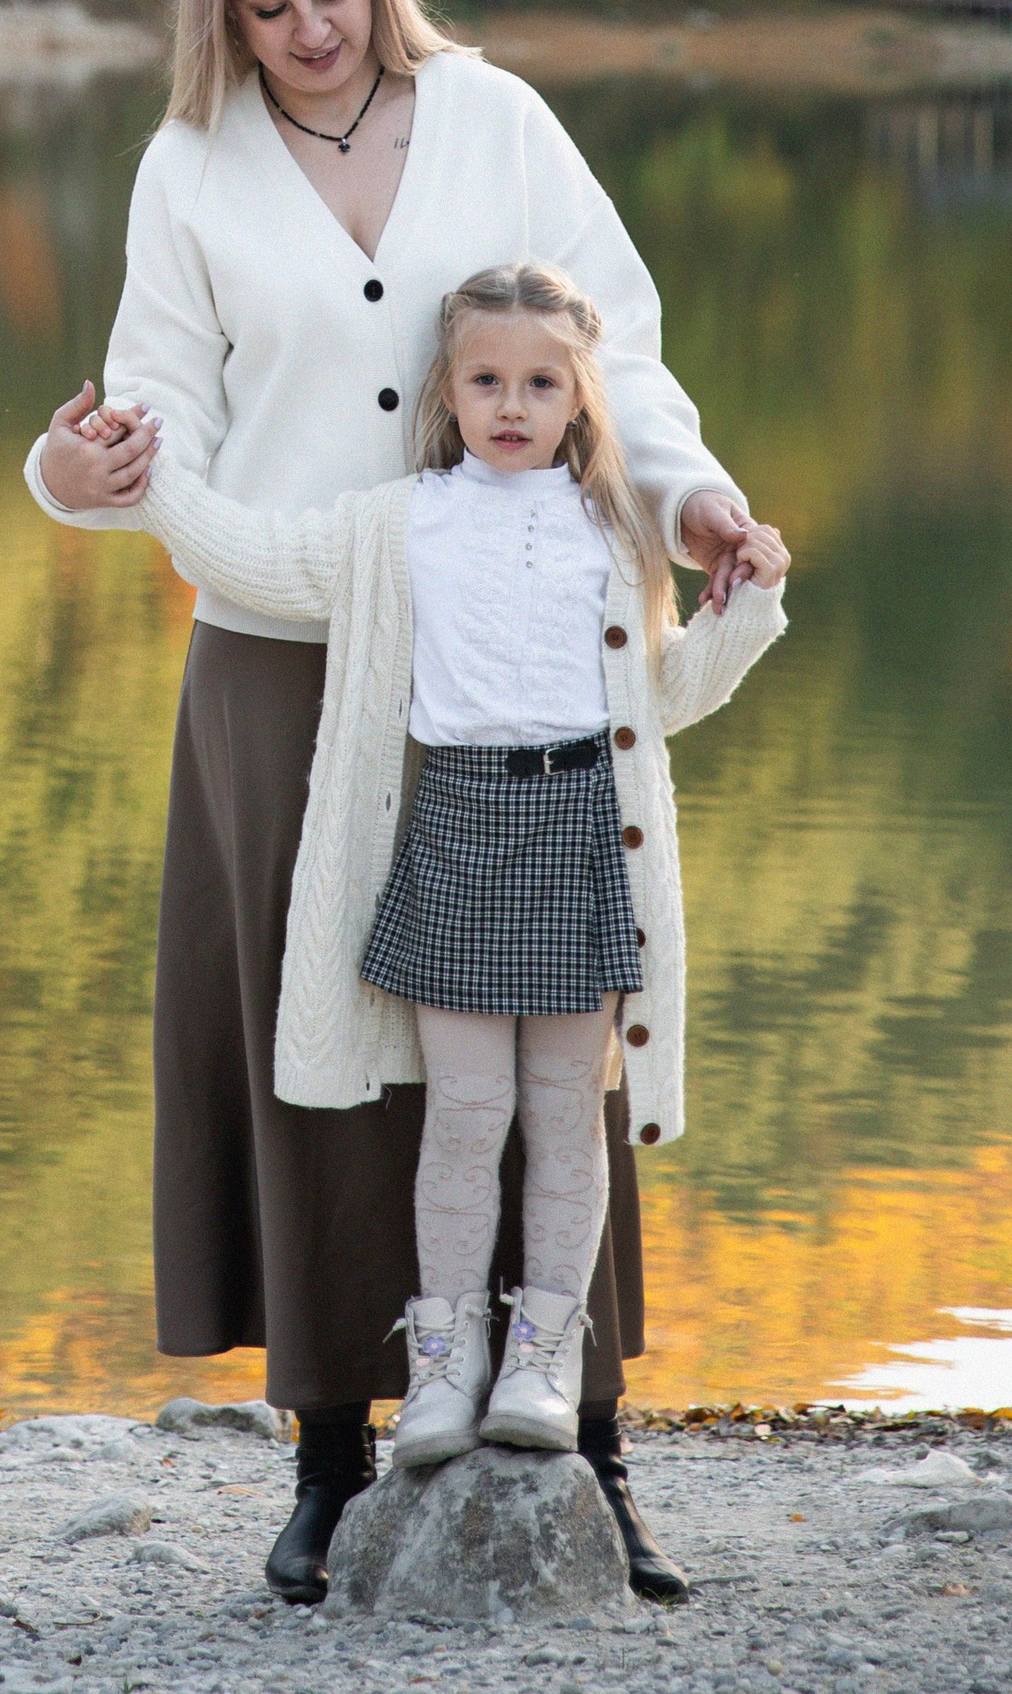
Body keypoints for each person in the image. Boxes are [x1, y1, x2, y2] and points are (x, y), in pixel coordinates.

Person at [27, 0, 784, 1605]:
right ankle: (329, 1450)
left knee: (547, 1031)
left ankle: (587, 1440)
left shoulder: (503, 117)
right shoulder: (188, 163)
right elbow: (153, 407)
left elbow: (626, 354)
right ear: (221, 10)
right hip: (287, 645)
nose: (308, 32)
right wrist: (76, 474)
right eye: (266, 5)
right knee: (321, 1039)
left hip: (523, 639)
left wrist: (690, 505)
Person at [121, 262, 787, 1489]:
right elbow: (256, 557)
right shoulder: (396, 524)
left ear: (581, 399)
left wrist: (740, 610)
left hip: (584, 836)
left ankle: (541, 1355)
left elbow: (667, 693)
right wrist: (153, 474)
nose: (512, 402)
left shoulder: (616, 533)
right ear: (447, 387)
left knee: (563, 1120)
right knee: (463, 1117)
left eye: (541, 382)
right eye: (487, 378)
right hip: (454, 835)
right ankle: (443, 1361)